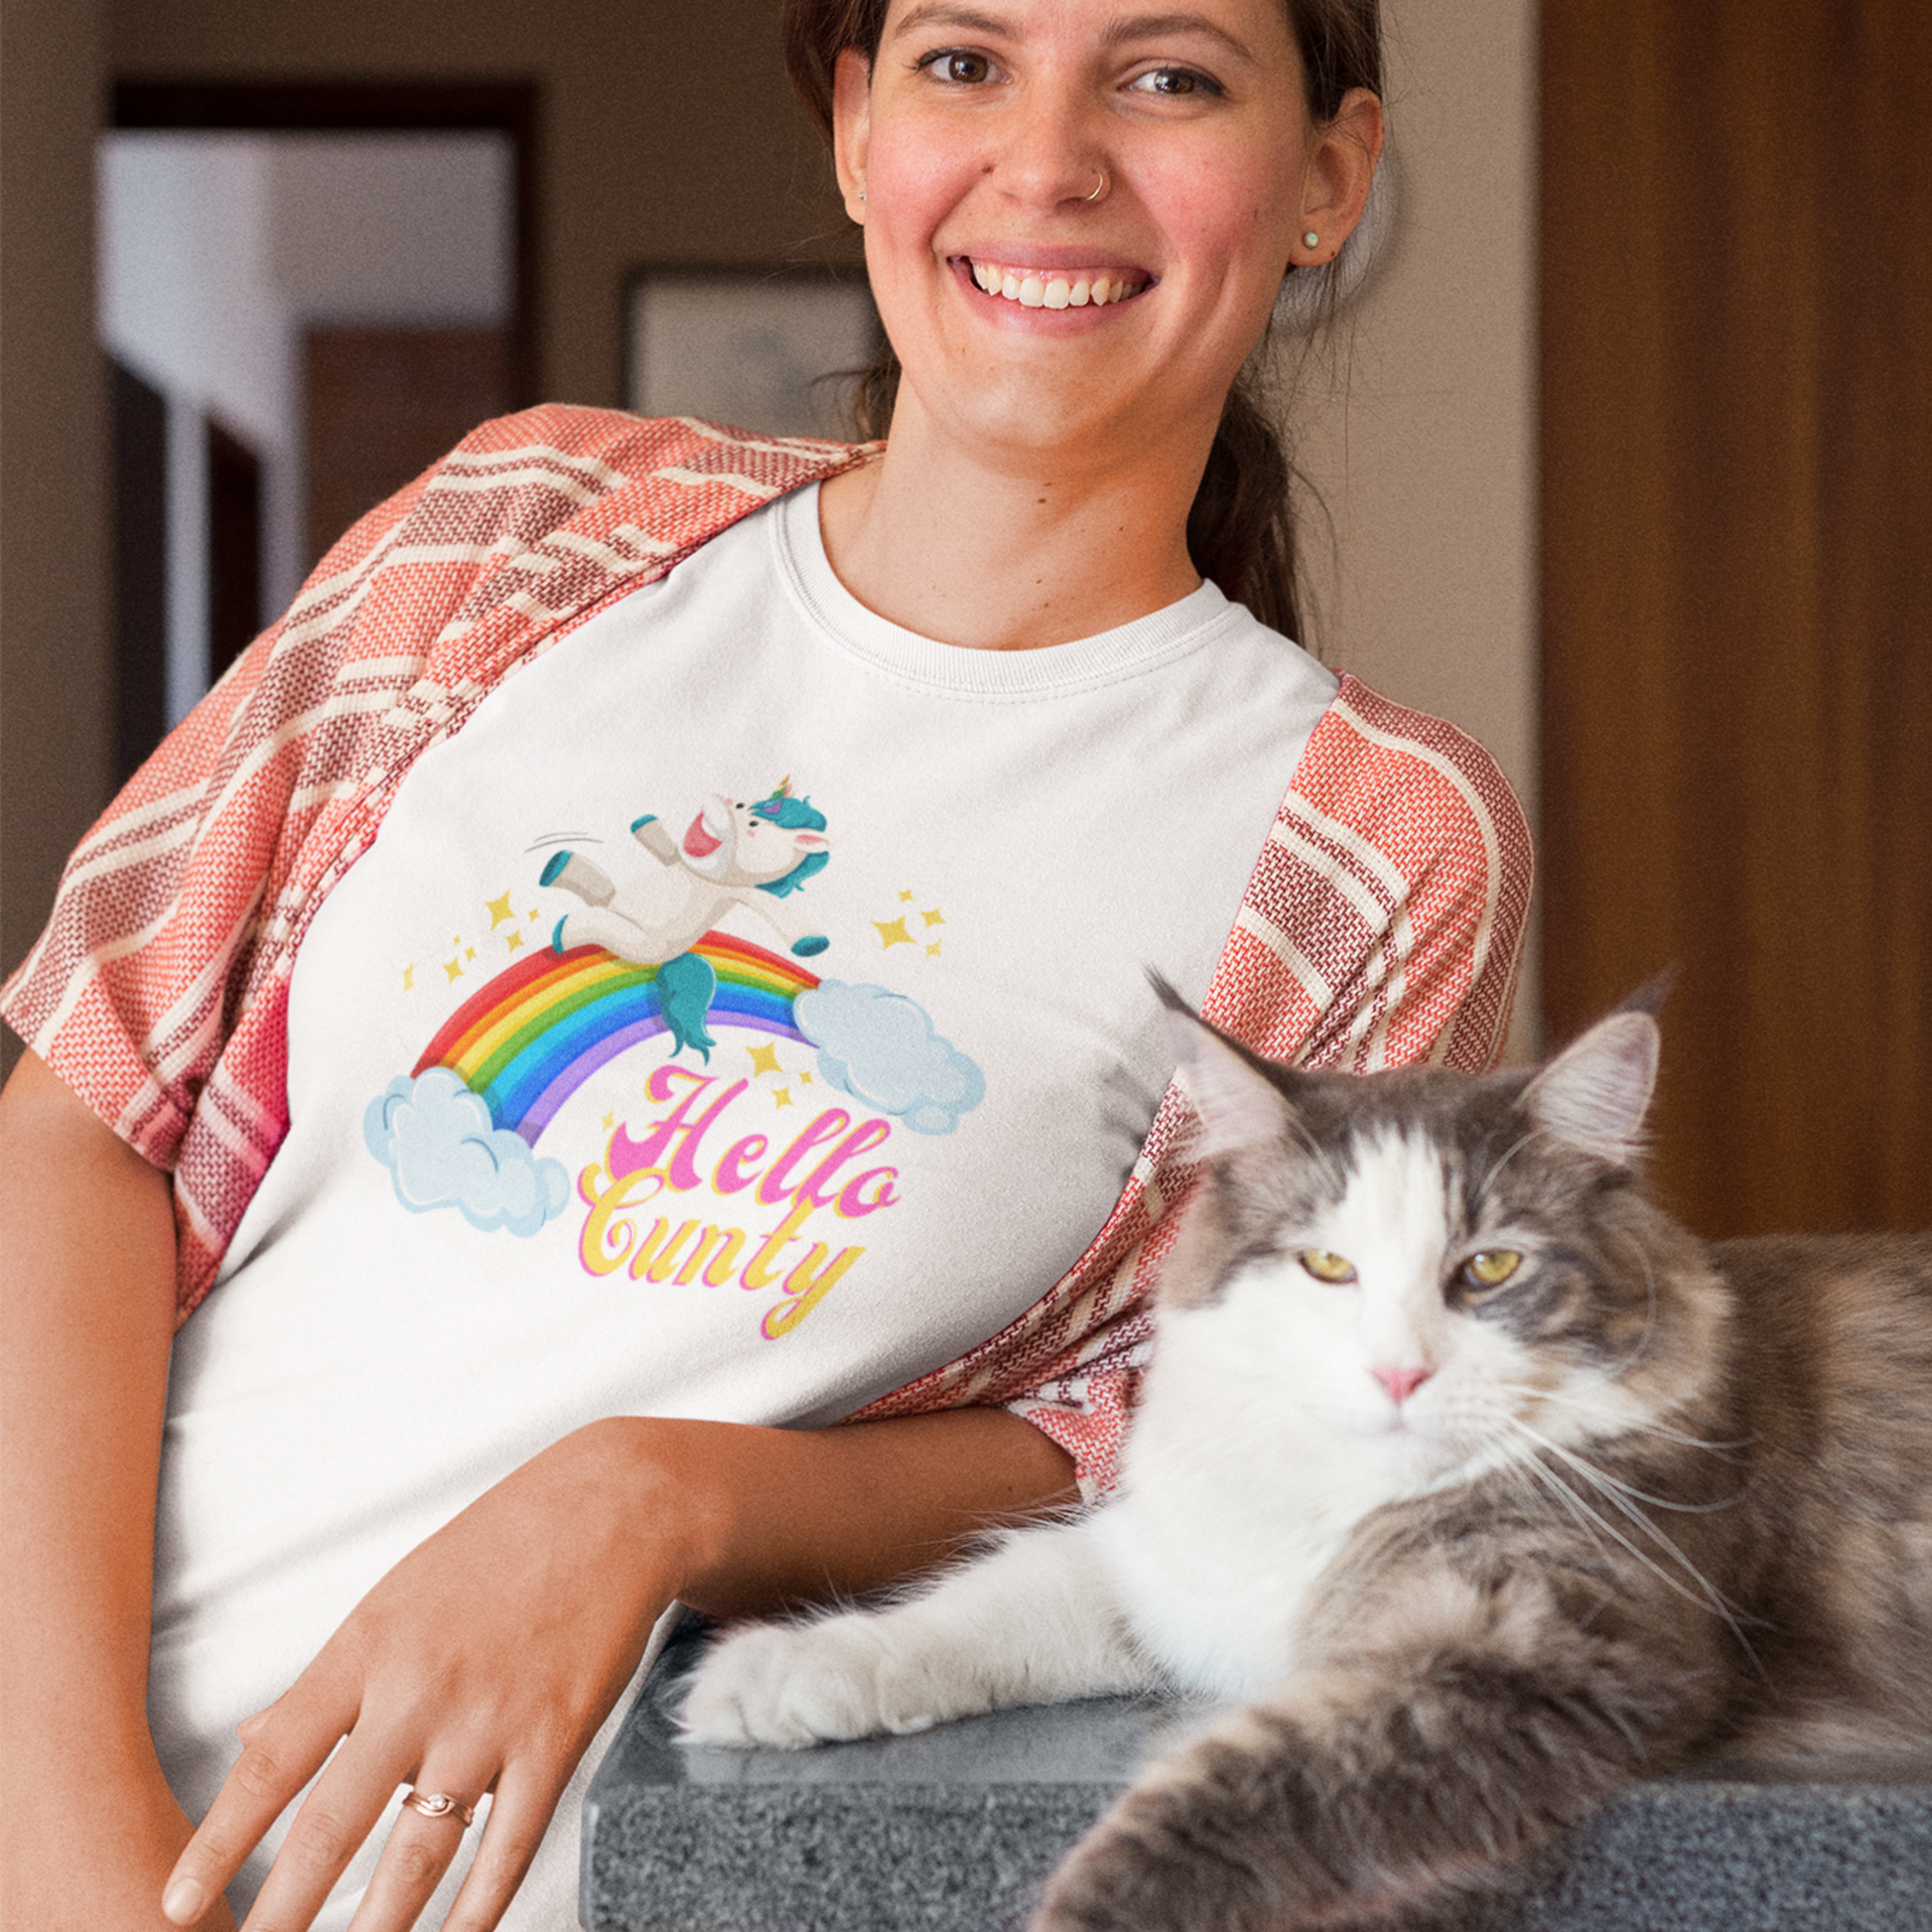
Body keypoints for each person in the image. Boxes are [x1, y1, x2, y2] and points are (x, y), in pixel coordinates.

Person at [0, 0, 1530, 1927]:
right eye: (964, 61)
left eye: (1165, 75)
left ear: (1326, 174)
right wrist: (60, 1828)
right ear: (851, 124)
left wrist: (656, 1497)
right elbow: (80, 1112)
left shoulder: (1372, 833)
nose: (1045, 159)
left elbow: (1230, 1448)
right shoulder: (519, 530)